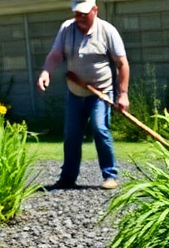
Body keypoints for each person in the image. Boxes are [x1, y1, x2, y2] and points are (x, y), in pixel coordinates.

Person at [37, 0, 130, 190]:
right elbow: (56, 55)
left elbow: (122, 64)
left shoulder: (107, 30)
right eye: (77, 14)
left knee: (100, 128)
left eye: (83, 14)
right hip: (75, 91)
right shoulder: (66, 29)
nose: (79, 18)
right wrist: (46, 72)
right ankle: (68, 178)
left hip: (101, 93)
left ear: (95, 11)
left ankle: (110, 175)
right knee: (71, 134)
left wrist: (123, 94)